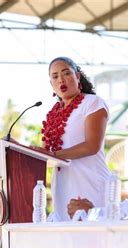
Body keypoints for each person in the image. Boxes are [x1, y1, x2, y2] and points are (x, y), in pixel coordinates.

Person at [40, 57, 110, 221]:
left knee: (94, 242)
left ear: (77, 76)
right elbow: (44, 153)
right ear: (51, 84)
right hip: (63, 187)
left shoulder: (93, 103)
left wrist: (54, 155)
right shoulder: (53, 113)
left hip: (91, 184)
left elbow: (92, 146)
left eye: (66, 73)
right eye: (55, 77)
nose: (61, 80)